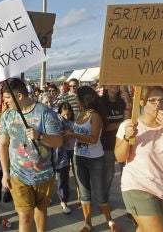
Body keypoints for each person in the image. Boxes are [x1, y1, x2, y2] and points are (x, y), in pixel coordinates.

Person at [0, 78, 63, 232]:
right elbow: (3, 144)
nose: (5, 102)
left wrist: (40, 136)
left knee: (41, 210)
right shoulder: (7, 115)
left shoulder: (44, 112)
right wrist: (5, 172)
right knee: (24, 216)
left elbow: (59, 141)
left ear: (19, 96)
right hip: (18, 175)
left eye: (7, 98)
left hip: (44, 174)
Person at [64, 86, 120, 232]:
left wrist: (73, 135)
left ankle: (110, 221)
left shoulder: (95, 115)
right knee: (84, 193)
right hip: (79, 158)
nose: (75, 99)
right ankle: (88, 223)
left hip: (95, 159)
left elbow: (94, 139)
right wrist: (70, 132)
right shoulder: (78, 114)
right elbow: (77, 132)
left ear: (85, 98)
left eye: (77, 97)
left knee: (100, 193)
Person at [114, 86, 163, 232]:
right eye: (152, 100)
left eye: (162, 100)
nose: (158, 104)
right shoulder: (129, 125)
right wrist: (127, 137)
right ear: (142, 103)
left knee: (145, 229)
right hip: (138, 186)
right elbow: (120, 157)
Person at [39, 93, 71, 214]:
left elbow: (67, 130)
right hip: (45, 155)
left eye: (51, 101)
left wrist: (64, 134)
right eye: (46, 102)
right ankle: (47, 198)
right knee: (47, 178)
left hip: (60, 153)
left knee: (62, 178)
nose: (49, 104)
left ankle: (64, 201)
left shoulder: (59, 116)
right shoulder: (38, 118)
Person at [101, 85, 131, 197]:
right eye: (113, 83)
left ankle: (128, 201)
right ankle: (104, 198)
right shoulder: (101, 103)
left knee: (126, 174)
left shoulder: (122, 101)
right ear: (106, 86)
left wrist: (128, 104)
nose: (116, 85)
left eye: (118, 83)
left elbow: (128, 122)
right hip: (107, 145)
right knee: (109, 174)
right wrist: (121, 124)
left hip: (123, 143)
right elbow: (104, 127)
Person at [58, 101, 80, 204]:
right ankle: (64, 199)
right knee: (64, 175)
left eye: (69, 114)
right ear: (61, 113)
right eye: (64, 114)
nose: (67, 116)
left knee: (78, 174)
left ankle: (80, 194)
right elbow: (58, 134)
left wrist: (71, 132)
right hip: (64, 151)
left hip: (74, 149)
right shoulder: (59, 120)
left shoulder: (74, 121)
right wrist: (68, 133)